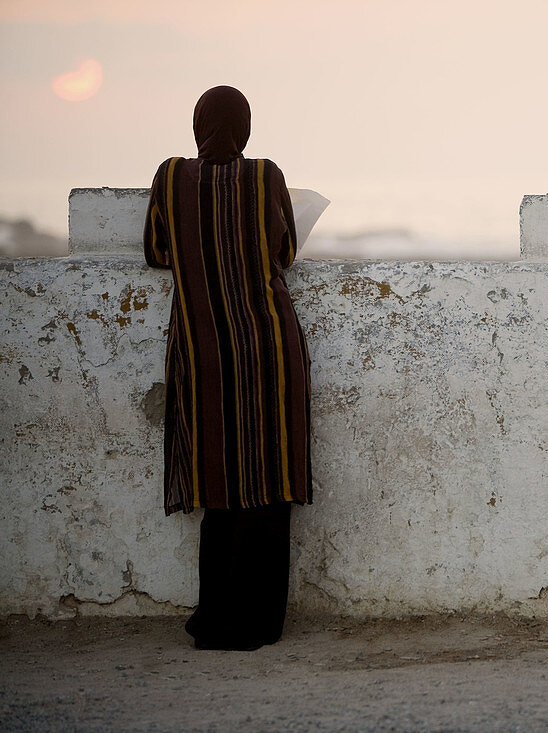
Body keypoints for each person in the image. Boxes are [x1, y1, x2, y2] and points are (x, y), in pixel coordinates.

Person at [144, 85, 313, 651]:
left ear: (198, 126)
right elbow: (283, 251)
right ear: (245, 128)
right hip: (268, 350)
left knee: (218, 483)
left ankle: (214, 621)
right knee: (268, 482)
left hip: (204, 350)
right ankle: (258, 624)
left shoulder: (170, 178)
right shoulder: (266, 177)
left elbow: (157, 251)